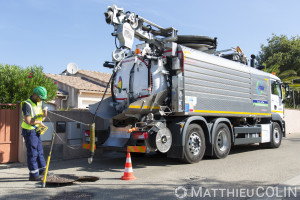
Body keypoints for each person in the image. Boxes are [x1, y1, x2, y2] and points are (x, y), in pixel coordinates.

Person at [21, 86, 48, 181]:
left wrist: (45, 112)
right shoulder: (27, 104)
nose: (42, 100)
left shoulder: (40, 102)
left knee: (39, 151)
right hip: (29, 131)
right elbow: (28, 120)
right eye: (41, 97)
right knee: (32, 153)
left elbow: (43, 115)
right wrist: (39, 122)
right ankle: (33, 175)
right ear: (35, 95)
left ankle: (43, 171)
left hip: (36, 130)